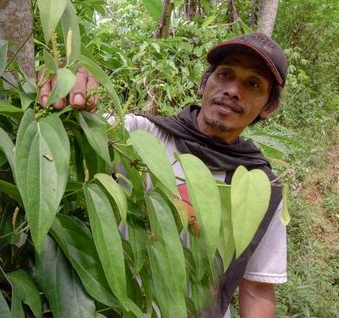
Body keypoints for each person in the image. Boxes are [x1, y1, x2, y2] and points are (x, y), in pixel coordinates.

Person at [39, 32, 288, 317]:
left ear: (269, 106)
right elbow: (73, 128)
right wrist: (66, 84)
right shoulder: (138, 135)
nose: (233, 90)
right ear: (204, 83)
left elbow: (257, 289)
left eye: (252, 84)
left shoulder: (263, 188)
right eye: (225, 74)